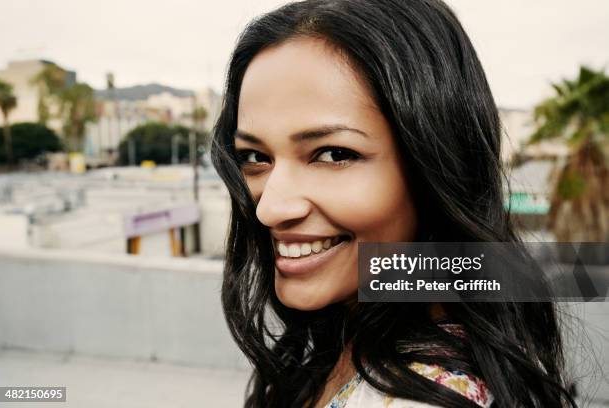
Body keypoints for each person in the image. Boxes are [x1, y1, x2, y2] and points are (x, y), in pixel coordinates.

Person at [210, 0, 576, 406]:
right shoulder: (358, 336)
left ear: (436, 164)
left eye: (333, 154)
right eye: (255, 157)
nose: (270, 209)